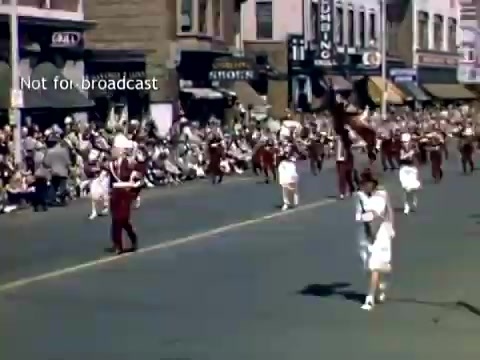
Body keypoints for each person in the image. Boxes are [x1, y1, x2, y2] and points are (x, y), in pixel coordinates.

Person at [355, 169, 395, 311]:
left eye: (368, 183)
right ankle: (381, 284)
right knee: (368, 267)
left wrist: (390, 228)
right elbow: (359, 216)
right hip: (364, 233)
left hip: (380, 233)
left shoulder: (382, 195)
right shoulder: (360, 196)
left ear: (373, 183)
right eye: (363, 183)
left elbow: (388, 211)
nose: (365, 186)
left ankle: (369, 298)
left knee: (374, 265)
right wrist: (366, 219)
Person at [106, 137, 138, 255]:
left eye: (115, 148)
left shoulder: (129, 162)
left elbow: (134, 177)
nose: (112, 150)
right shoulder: (111, 165)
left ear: (121, 150)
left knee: (123, 220)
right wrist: (108, 194)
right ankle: (117, 244)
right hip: (115, 194)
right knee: (115, 220)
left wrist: (135, 195)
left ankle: (133, 237)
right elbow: (110, 181)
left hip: (125, 193)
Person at [398, 133, 421, 215]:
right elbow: (401, 157)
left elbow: (417, 152)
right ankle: (406, 206)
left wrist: (411, 153)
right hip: (403, 168)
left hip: (412, 168)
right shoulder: (400, 146)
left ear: (409, 140)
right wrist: (408, 154)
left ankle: (414, 200)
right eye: (403, 141)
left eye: (406, 141)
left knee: (412, 188)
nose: (404, 143)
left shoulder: (414, 145)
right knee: (405, 188)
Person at [278, 145, 299, 211]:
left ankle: (295, 202)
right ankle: (286, 203)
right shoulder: (282, 162)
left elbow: (295, 158)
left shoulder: (293, 159)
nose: (287, 154)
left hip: (291, 172)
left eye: (288, 152)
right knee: (285, 189)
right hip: (285, 171)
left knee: (294, 189)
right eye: (286, 152)